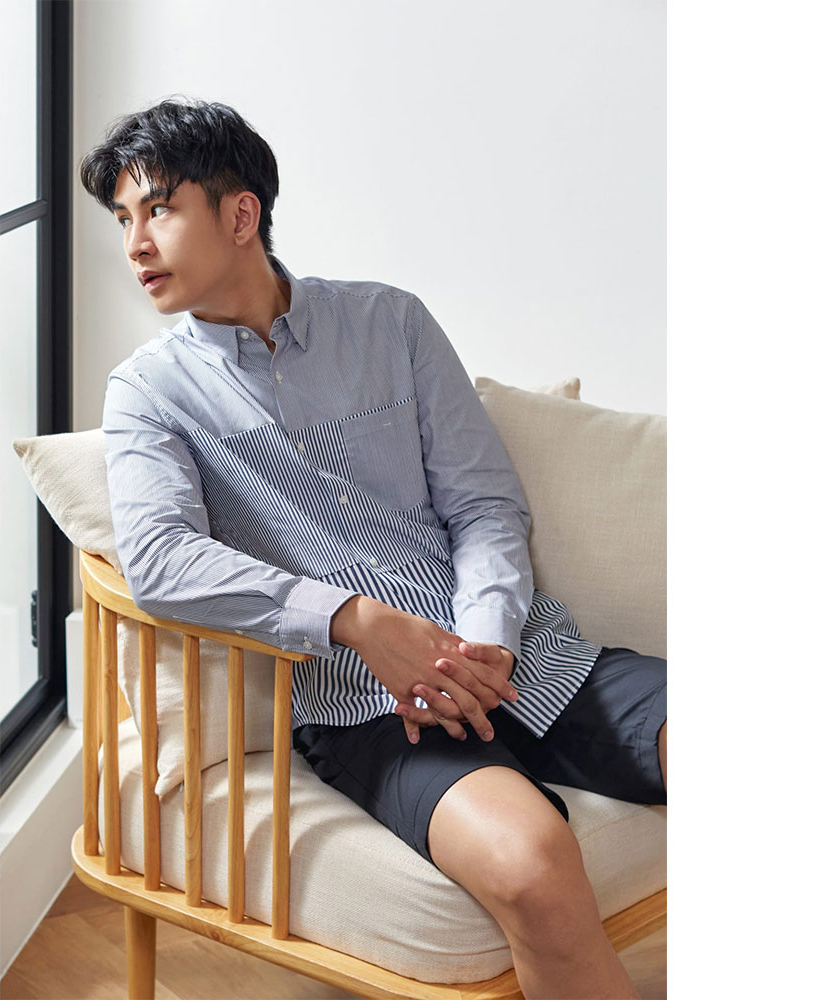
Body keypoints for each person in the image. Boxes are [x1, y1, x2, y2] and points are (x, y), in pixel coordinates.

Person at [81, 95, 666, 999]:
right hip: (369, 708)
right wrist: (354, 620)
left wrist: (487, 639)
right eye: (124, 219)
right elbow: (159, 559)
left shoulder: (390, 324)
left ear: (240, 215)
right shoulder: (148, 395)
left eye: (158, 209)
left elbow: (484, 505)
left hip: (525, 655)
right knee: (530, 865)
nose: (136, 244)